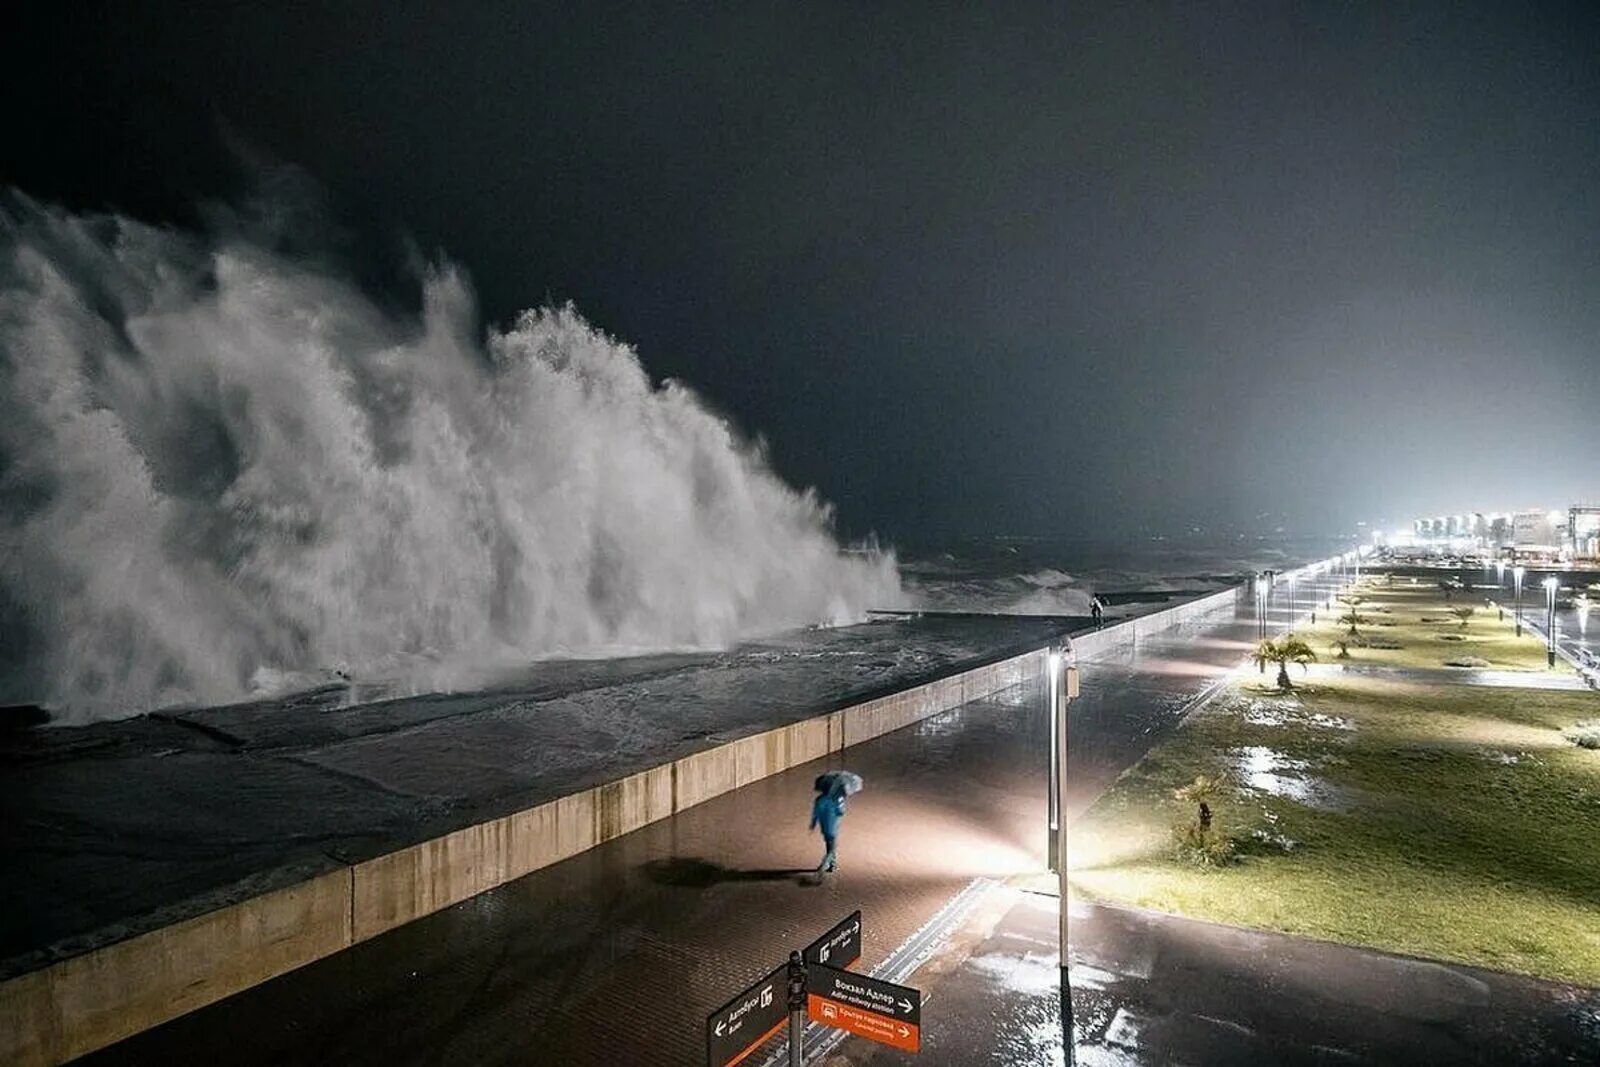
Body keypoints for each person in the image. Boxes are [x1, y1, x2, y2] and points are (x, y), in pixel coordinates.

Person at [810, 779, 845, 873]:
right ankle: (823, 865)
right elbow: (841, 812)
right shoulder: (837, 799)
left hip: (824, 827)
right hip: (833, 827)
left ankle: (832, 865)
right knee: (832, 848)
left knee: (829, 845)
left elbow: (815, 814)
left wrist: (812, 824)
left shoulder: (819, 799)